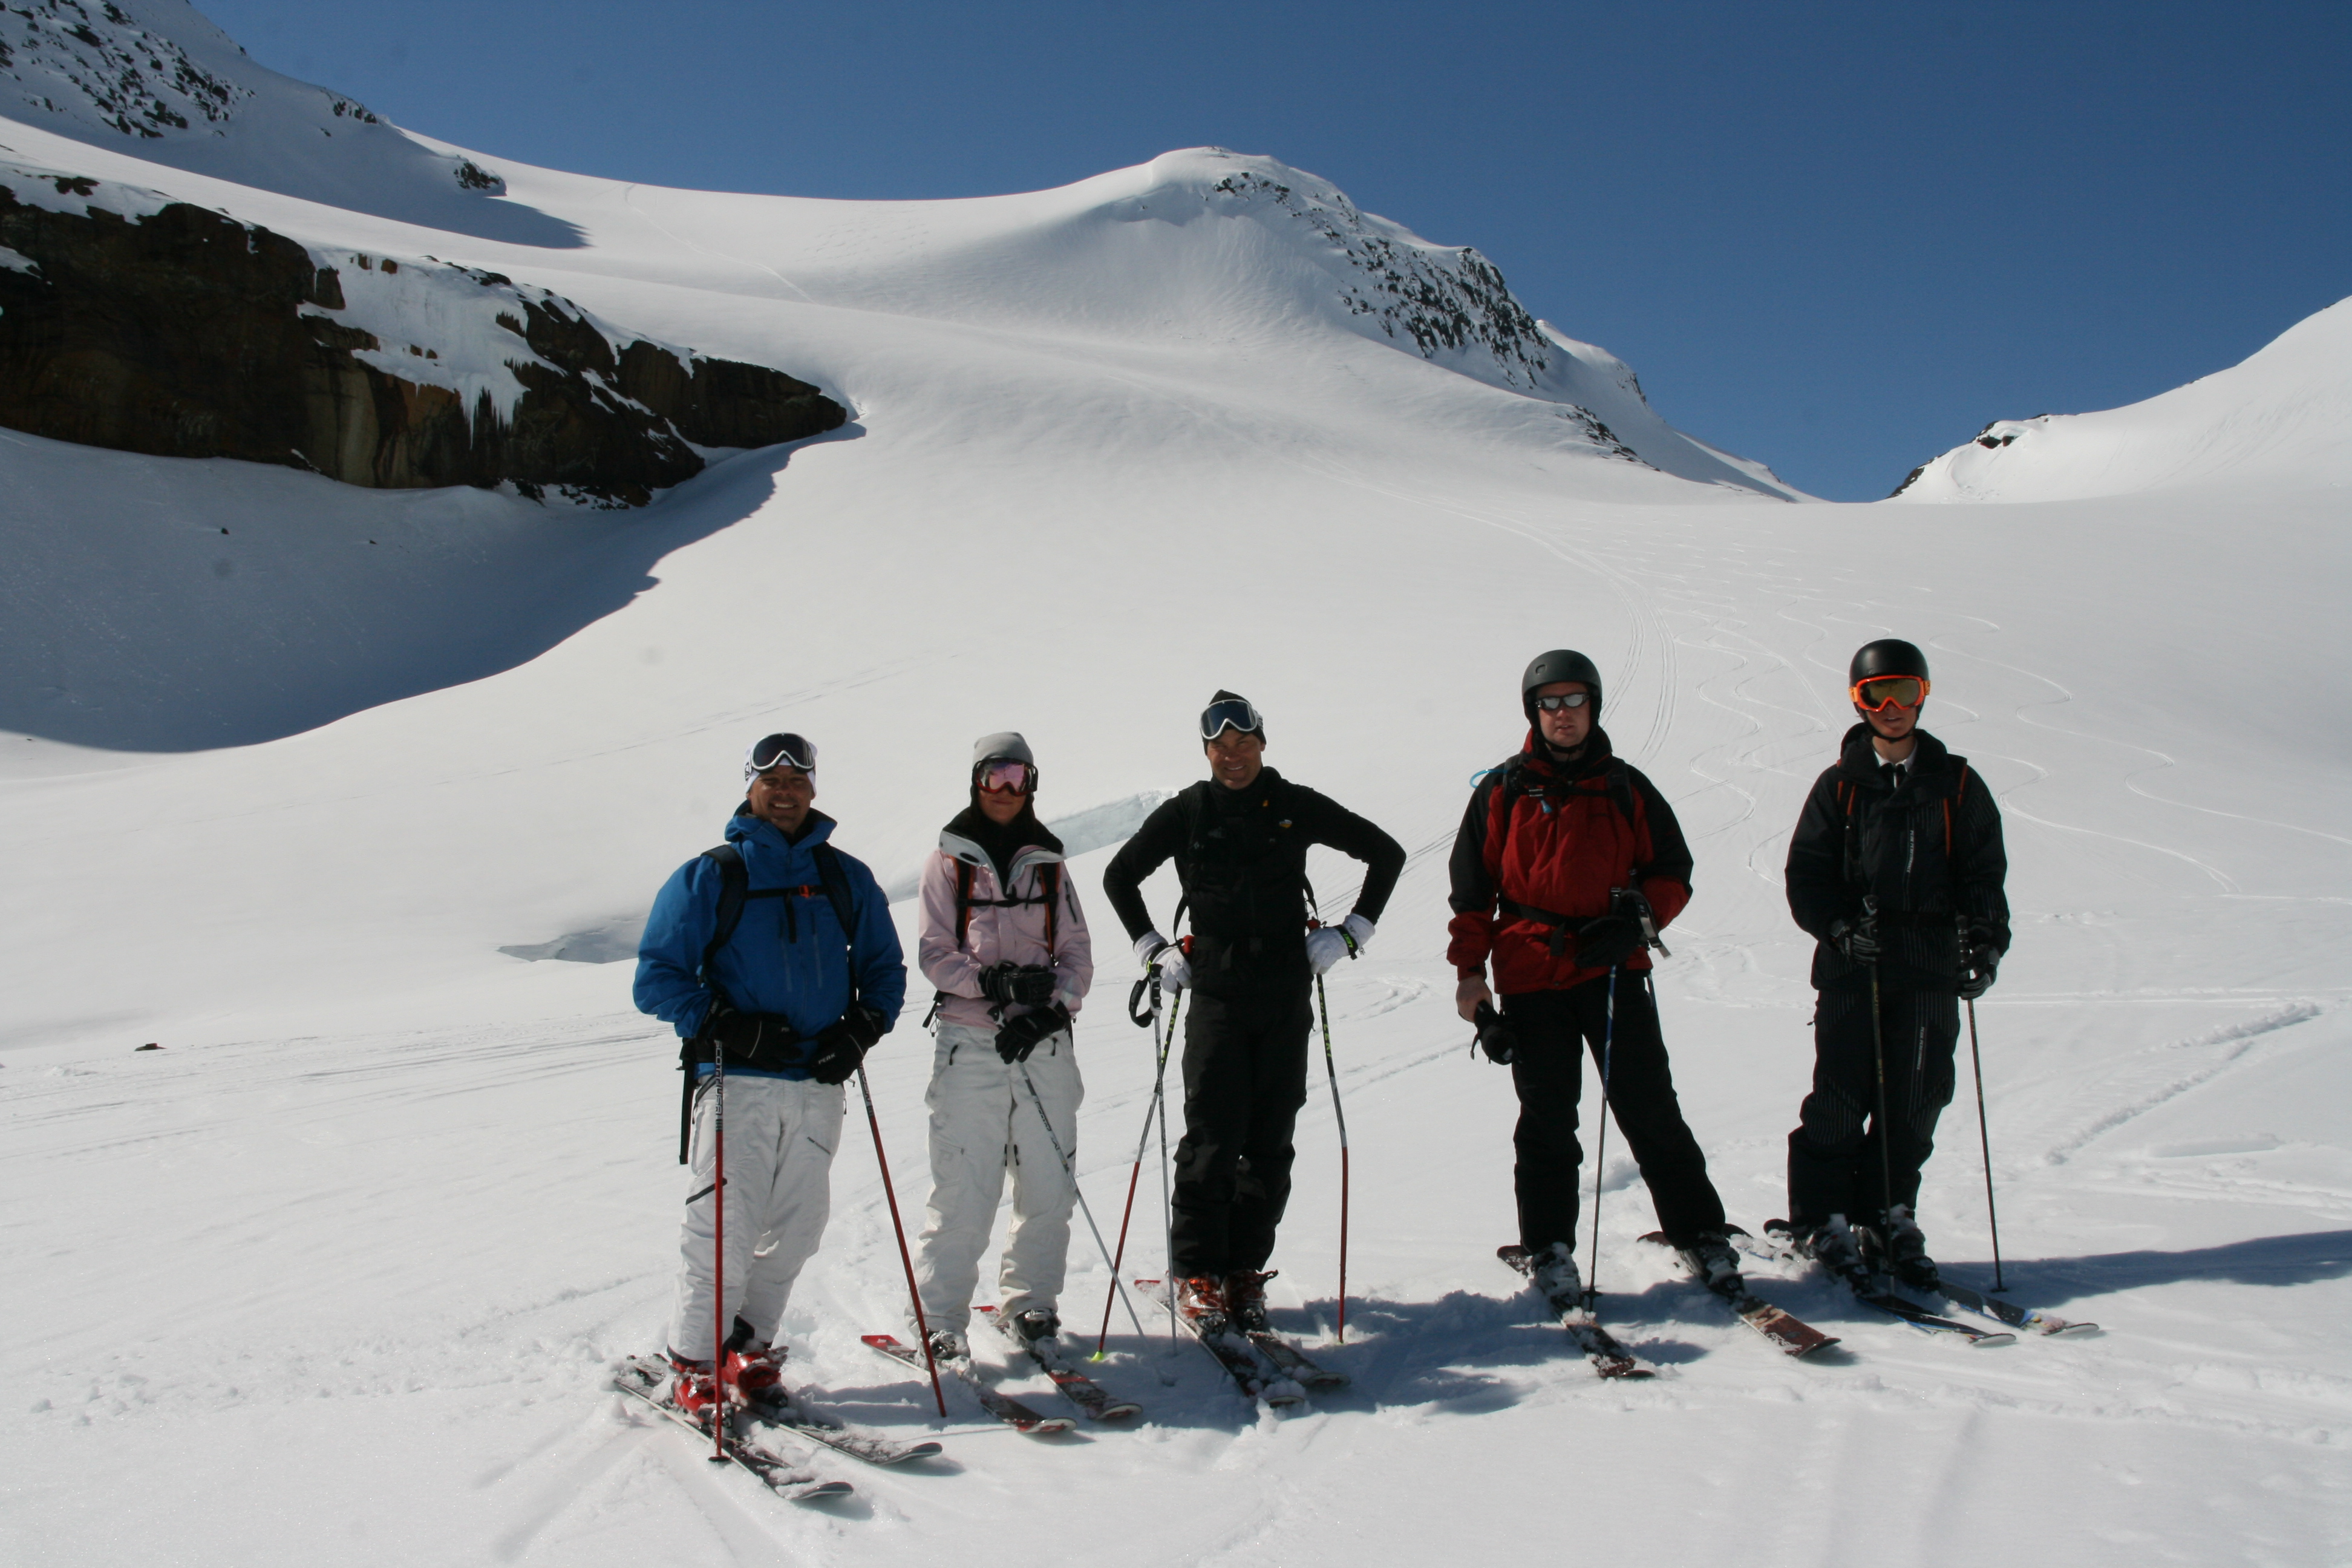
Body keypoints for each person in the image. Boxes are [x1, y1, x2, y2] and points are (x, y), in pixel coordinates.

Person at [1102, 692, 1405, 1331]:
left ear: (1263, 744)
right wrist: (1152, 948)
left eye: (1244, 743)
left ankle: (1243, 1271)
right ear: (1206, 751)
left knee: (1271, 1139)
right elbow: (1119, 877)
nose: (1232, 757)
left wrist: (1352, 934)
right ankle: (1197, 1275)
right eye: (1220, 746)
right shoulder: (1189, 810)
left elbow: (1386, 852)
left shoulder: (1292, 803)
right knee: (1213, 1138)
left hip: (1284, 986)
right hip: (1214, 985)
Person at [1448, 650, 1738, 1304]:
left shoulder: (1626, 788)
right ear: (1534, 712)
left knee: (1649, 1107)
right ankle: (1550, 1251)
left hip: (1611, 970)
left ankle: (1701, 1234)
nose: (1562, 715)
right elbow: (1471, 897)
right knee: (1548, 1120)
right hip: (1529, 971)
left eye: (1574, 701)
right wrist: (1471, 976)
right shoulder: (1502, 791)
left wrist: (1637, 925)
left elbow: (1672, 870)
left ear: (1594, 706)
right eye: (1549, 704)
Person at [633, 731, 907, 1411]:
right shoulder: (713, 875)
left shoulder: (846, 878)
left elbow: (884, 970)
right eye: (771, 779)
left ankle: (747, 1344)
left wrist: (861, 1031)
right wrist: (725, 1022)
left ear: (813, 786)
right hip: (738, 1082)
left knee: (800, 1225)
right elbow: (656, 977)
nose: (785, 791)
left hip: (818, 1083)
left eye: (797, 779)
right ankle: (695, 1360)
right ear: (751, 786)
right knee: (724, 1223)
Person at [1780, 639, 2008, 1290]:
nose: (1890, 707)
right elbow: (1807, 876)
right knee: (1842, 1094)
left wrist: (1986, 942)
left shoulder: (1957, 784)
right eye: (1874, 695)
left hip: (1930, 966)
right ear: (1858, 702)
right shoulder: (1840, 787)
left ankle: (1888, 1212)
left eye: (1904, 692)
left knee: (1918, 1095)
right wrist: (1840, 929)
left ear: (1923, 695)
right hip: (1857, 967)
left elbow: (1984, 874)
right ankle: (1822, 1218)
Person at [908, 733, 1096, 1363]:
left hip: (1042, 1047)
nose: (1006, 790)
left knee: (1047, 1180)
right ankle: (940, 1316)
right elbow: (934, 954)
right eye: (995, 776)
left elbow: (1077, 955)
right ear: (976, 782)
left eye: (1018, 776)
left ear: (1032, 784)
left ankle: (1032, 1300)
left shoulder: (1050, 865)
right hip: (972, 1044)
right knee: (965, 1183)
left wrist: (1051, 1009)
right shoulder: (948, 863)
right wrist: (991, 982)